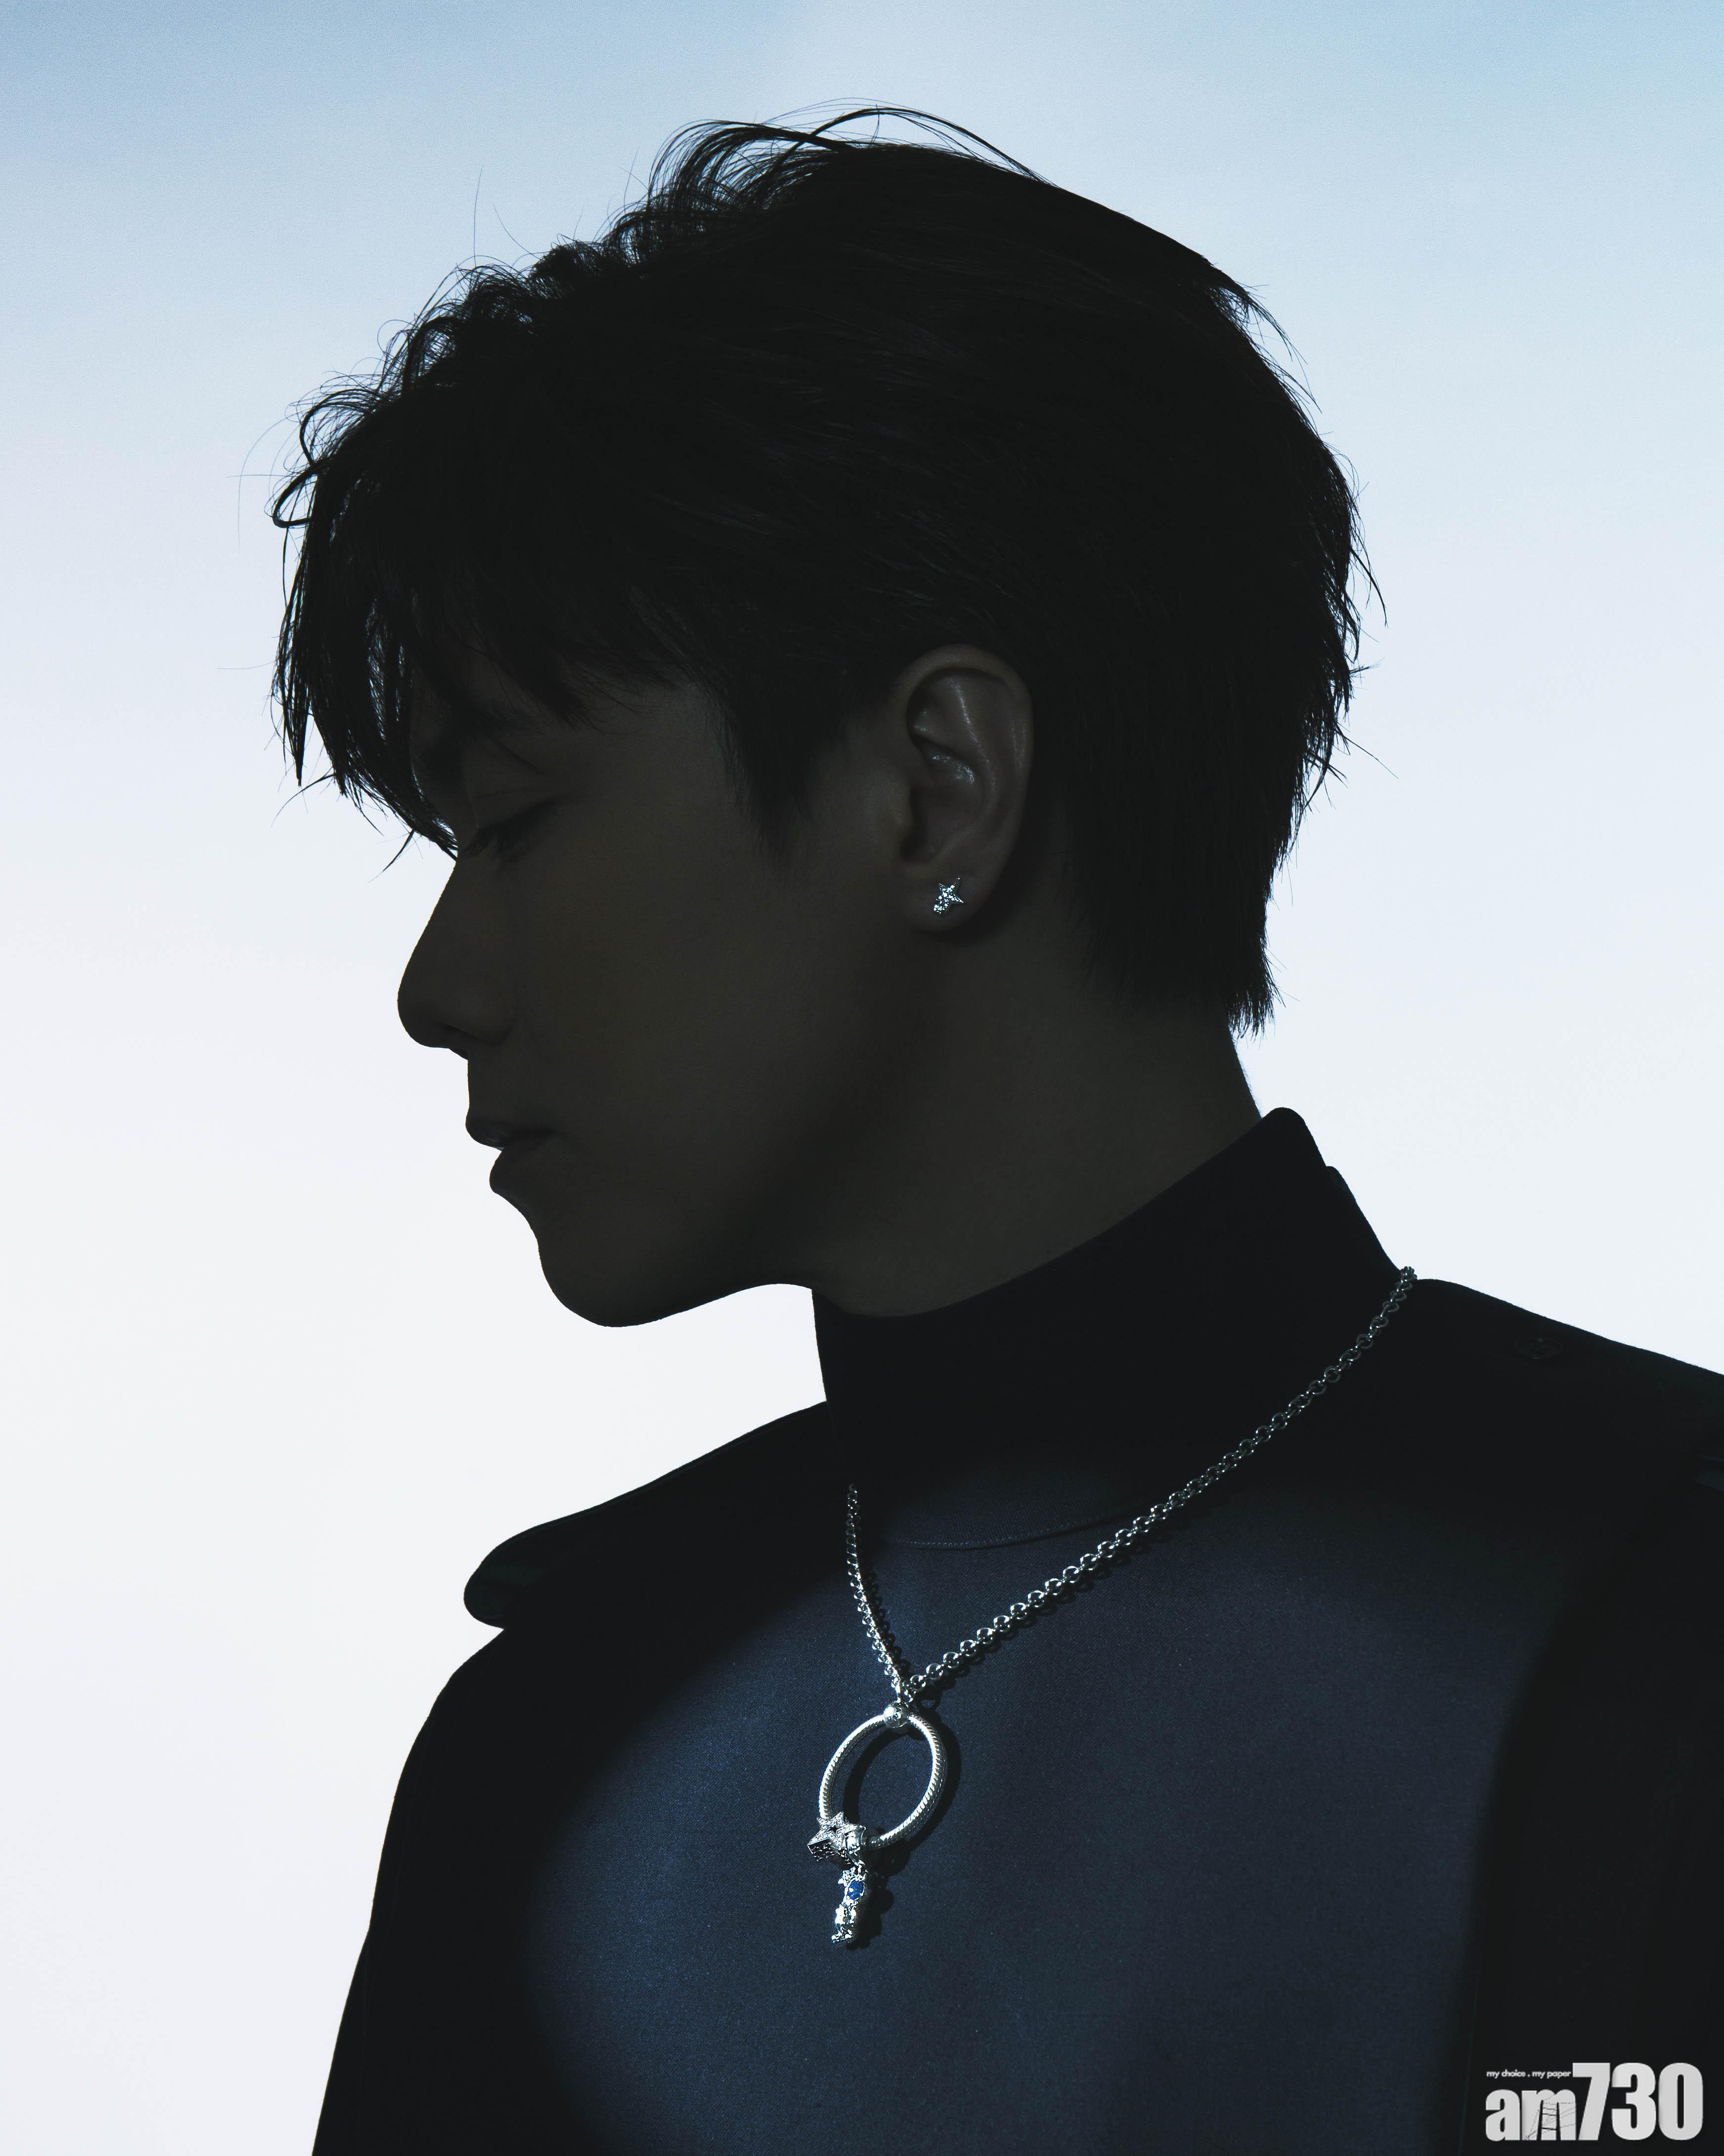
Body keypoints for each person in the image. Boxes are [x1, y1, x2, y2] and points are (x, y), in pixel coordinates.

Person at [272, 112, 1723, 2155]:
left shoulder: (1656, 1607)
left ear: (937, 788)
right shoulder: (549, 1724)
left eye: (512, 822)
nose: (439, 987)